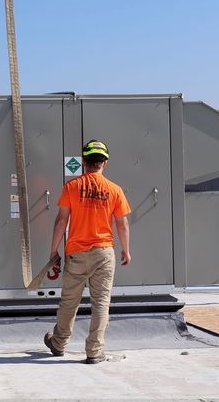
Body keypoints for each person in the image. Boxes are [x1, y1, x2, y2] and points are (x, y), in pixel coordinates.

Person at [44, 139, 132, 364]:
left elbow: (61, 222)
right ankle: (94, 351)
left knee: (69, 302)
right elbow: (122, 224)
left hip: (76, 253)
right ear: (104, 163)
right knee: (101, 303)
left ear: (84, 162)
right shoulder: (114, 190)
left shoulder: (72, 187)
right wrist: (126, 250)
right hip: (104, 253)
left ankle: (59, 343)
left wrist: (53, 252)